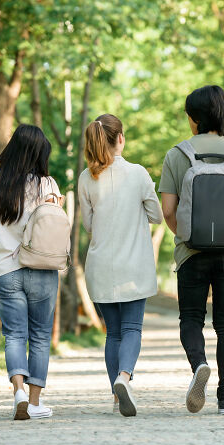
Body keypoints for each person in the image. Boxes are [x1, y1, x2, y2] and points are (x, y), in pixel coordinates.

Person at [159, 85, 224, 415]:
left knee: (191, 318)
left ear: (194, 119)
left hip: (191, 253)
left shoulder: (177, 154)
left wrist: (189, 235)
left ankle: (199, 365)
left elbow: (168, 210)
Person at [79, 114, 162, 417]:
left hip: (101, 264)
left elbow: (88, 224)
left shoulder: (87, 178)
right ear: (120, 139)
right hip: (134, 266)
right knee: (132, 329)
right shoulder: (138, 174)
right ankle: (124, 377)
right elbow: (156, 214)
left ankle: (116, 398)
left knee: (112, 333)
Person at [0, 124, 62, 420]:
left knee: (14, 335)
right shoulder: (48, 185)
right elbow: (54, 228)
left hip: (5, 270)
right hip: (41, 268)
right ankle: (36, 403)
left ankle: (18, 393)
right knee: (39, 336)